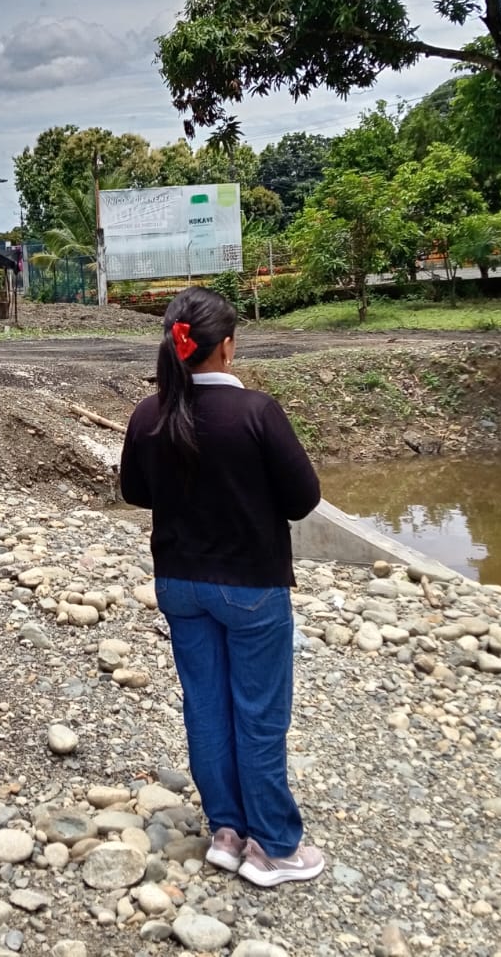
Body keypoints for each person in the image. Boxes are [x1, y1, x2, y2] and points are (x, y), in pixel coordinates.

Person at [117, 287, 325, 888]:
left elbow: (135, 492)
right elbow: (303, 498)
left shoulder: (149, 414)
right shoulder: (256, 412)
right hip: (251, 587)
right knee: (259, 714)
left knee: (206, 706)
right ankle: (275, 847)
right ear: (227, 347)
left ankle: (227, 832)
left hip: (179, 584)